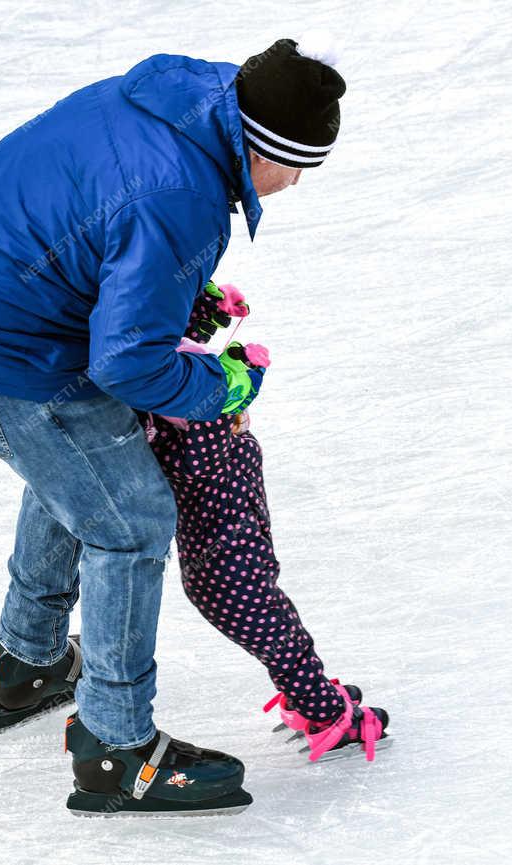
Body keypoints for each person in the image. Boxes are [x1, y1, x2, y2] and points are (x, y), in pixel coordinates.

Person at [0, 36, 347, 816]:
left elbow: (98, 235)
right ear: (266, 147)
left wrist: (178, 298)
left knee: (85, 473)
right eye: (300, 165)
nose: (299, 183)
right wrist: (226, 383)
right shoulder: (183, 193)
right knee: (132, 518)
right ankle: (116, 748)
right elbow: (129, 368)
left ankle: (28, 663)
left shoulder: (170, 103)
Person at [144, 281, 391, 763]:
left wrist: (202, 306)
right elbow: (195, 450)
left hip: (236, 546)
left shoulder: (175, 389)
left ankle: (309, 693)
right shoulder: (193, 431)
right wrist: (229, 398)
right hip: (228, 564)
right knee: (284, 639)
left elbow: (168, 344)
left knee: (284, 636)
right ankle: (325, 715)